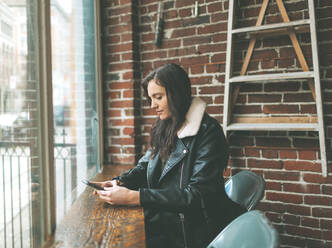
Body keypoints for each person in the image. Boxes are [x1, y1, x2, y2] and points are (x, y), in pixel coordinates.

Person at [93, 63, 246, 248]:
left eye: (158, 97)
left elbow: (196, 196)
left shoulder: (209, 132)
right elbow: (145, 166)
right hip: (168, 219)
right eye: (150, 98)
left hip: (194, 231)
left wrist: (135, 197)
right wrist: (120, 182)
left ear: (177, 94)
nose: (152, 105)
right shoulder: (164, 126)